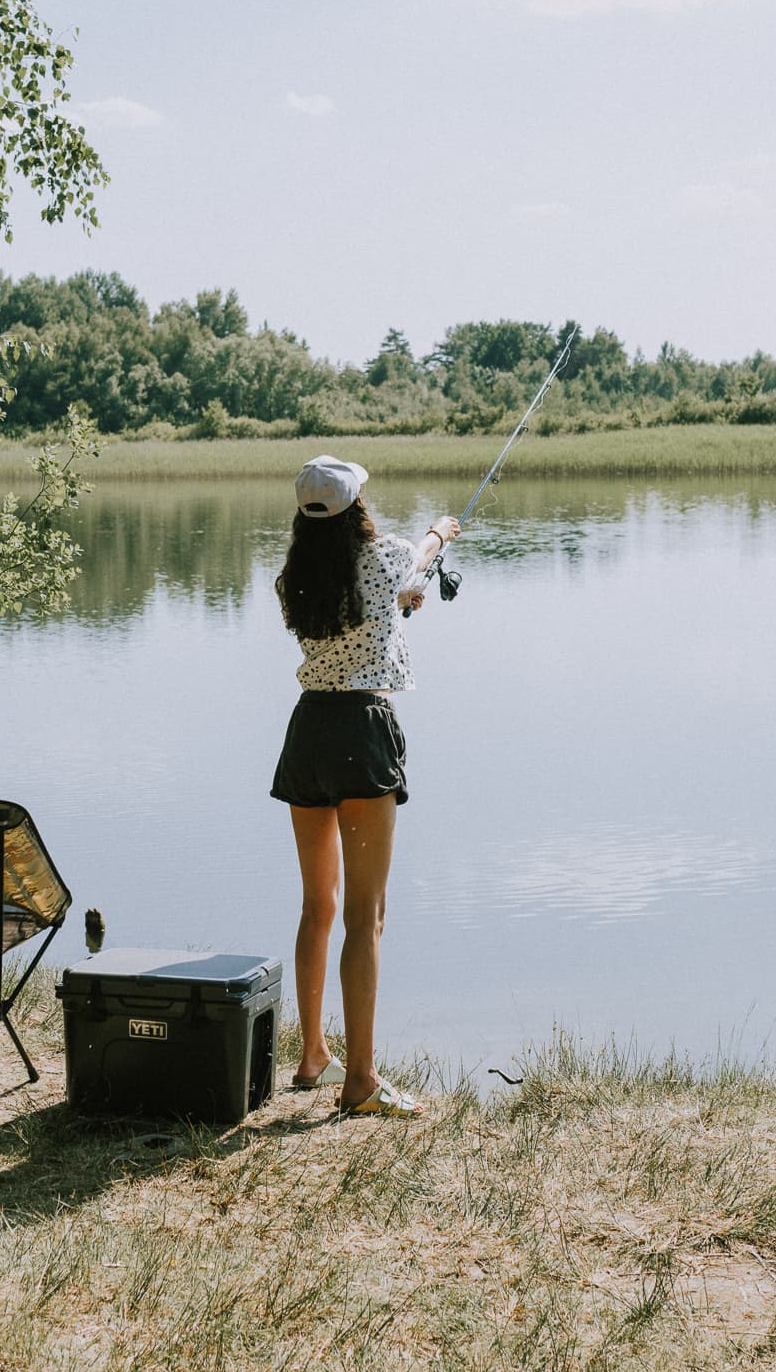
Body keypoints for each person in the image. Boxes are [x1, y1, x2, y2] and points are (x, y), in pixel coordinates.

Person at [269, 454, 459, 1117]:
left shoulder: (292, 577)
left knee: (316, 906)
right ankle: (362, 1081)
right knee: (365, 916)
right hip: (362, 731)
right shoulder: (389, 556)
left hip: (307, 731)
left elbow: (365, 611)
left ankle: (313, 1054)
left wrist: (400, 606)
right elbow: (416, 560)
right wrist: (441, 530)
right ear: (357, 507)